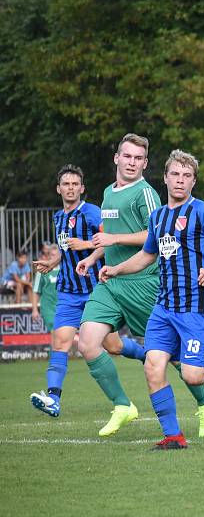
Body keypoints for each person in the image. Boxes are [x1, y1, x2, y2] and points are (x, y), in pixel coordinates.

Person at [99, 149, 204, 450]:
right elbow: (148, 255)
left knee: (193, 375)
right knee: (153, 366)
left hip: (196, 307)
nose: (180, 180)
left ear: (193, 182)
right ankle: (173, 436)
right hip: (164, 306)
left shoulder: (203, 212)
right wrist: (116, 269)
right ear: (165, 177)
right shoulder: (158, 217)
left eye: (187, 176)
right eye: (175, 174)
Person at [75, 133, 204, 438]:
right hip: (113, 280)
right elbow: (112, 233)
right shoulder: (108, 193)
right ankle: (122, 405)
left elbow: (151, 236)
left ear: (146, 164)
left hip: (144, 284)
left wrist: (113, 241)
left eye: (139, 158)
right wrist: (95, 256)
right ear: (116, 158)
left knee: (178, 358)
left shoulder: (146, 194)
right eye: (127, 156)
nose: (132, 163)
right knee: (90, 341)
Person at [29, 164, 111, 420]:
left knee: (115, 346)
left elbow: (110, 242)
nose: (71, 188)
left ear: (82, 188)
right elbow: (66, 250)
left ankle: (151, 356)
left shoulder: (91, 213)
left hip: (94, 291)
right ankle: (53, 399)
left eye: (75, 184)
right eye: (66, 184)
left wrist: (86, 244)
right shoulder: (58, 218)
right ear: (59, 188)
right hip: (67, 291)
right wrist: (53, 263)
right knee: (60, 342)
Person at [31, 244, 60, 332]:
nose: (53, 258)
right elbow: (36, 291)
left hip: (63, 307)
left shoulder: (64, 270)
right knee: (55, 332)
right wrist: (35, 310)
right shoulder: (42, 271)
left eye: (55, 255)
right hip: (48, 309)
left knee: (61, 337)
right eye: (51, 255)